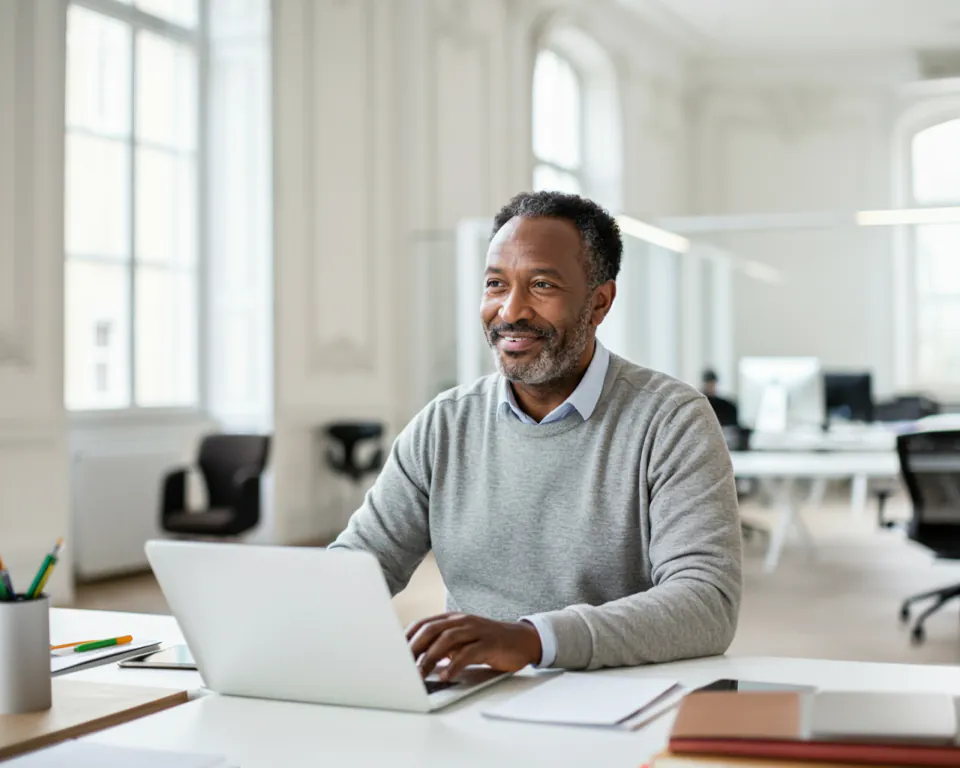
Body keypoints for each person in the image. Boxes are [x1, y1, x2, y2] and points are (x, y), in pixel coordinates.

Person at [329, 191, 742, 681]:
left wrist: (532, 640)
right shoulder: (445, 424)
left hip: (616, 698)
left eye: (541, 284)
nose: (510, 310)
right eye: (495, 284)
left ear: (599, 303)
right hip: (476, 696)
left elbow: (706, 603)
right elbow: (356, 569)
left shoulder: (671, 419)